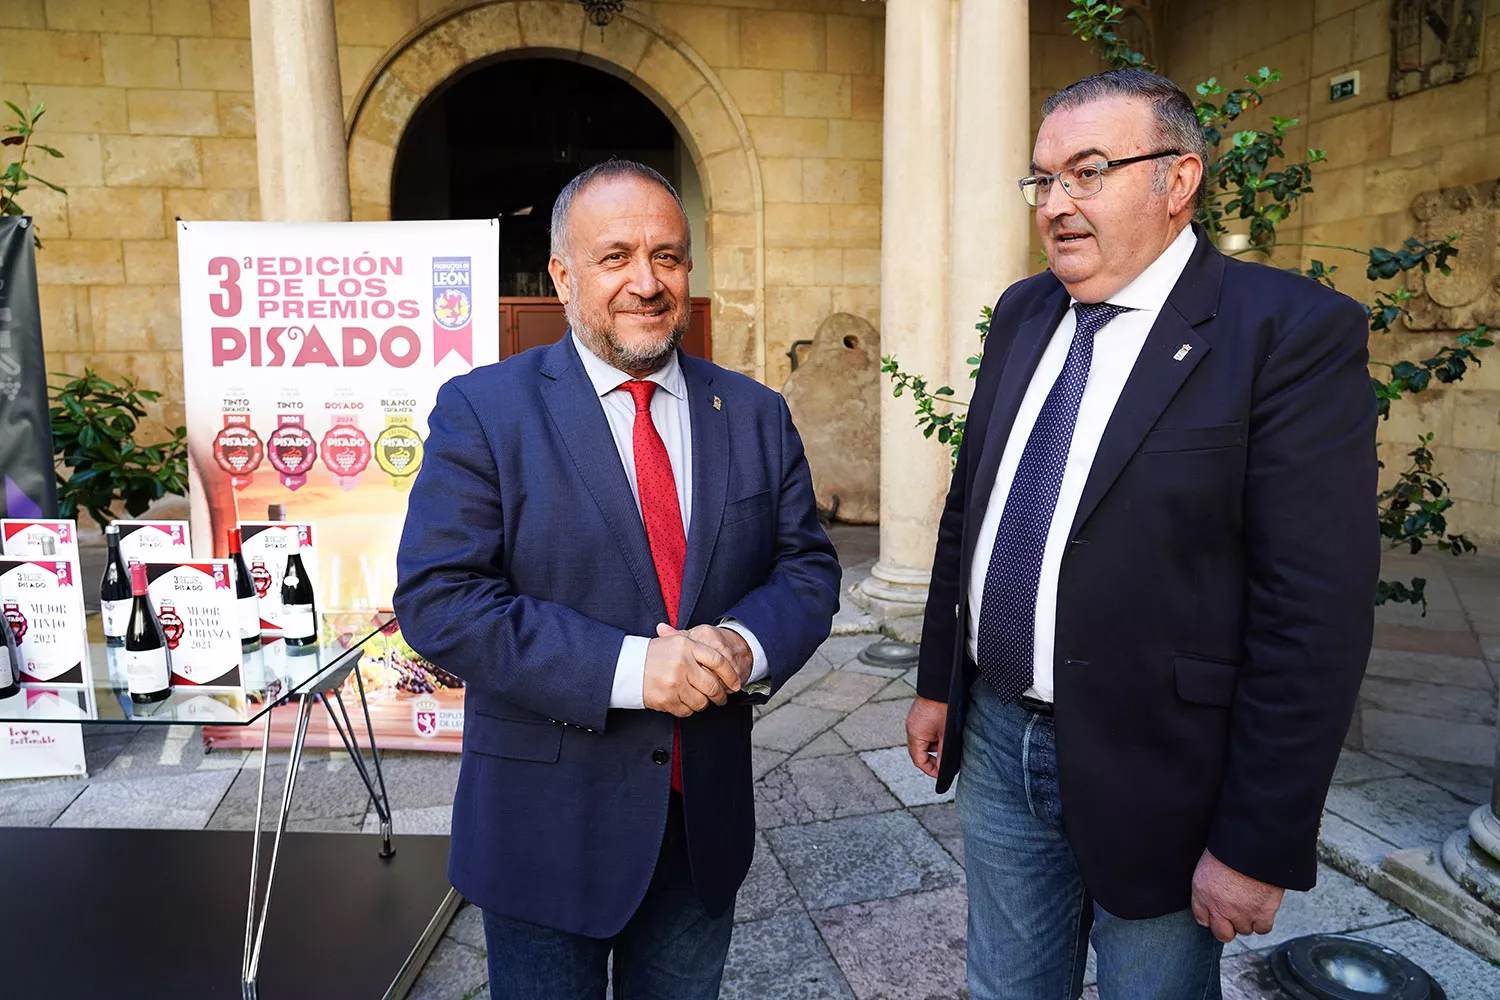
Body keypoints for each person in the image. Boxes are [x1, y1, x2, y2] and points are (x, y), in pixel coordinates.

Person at [904, 68, 1378, 999]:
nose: (1055, 205)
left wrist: (1255, 840)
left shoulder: (1288, 332)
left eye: (1088, 172)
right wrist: (937, 682)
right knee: (1006, 988)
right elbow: (976, 509)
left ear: (1177, 180)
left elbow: (1313, 616)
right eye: (1043, 179)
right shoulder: (1023, 311)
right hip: (1000, 735)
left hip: (1166, 767)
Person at [394, 159, 840, 999]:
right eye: (616, 257)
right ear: (562, 275)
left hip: (700, 818)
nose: (647, 282)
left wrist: (742, 647)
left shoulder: (752, 412)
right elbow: (440, 597)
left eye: (668, 257)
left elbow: (806, 568)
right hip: (545, 826)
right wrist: (636, 670)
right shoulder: (484, 411)